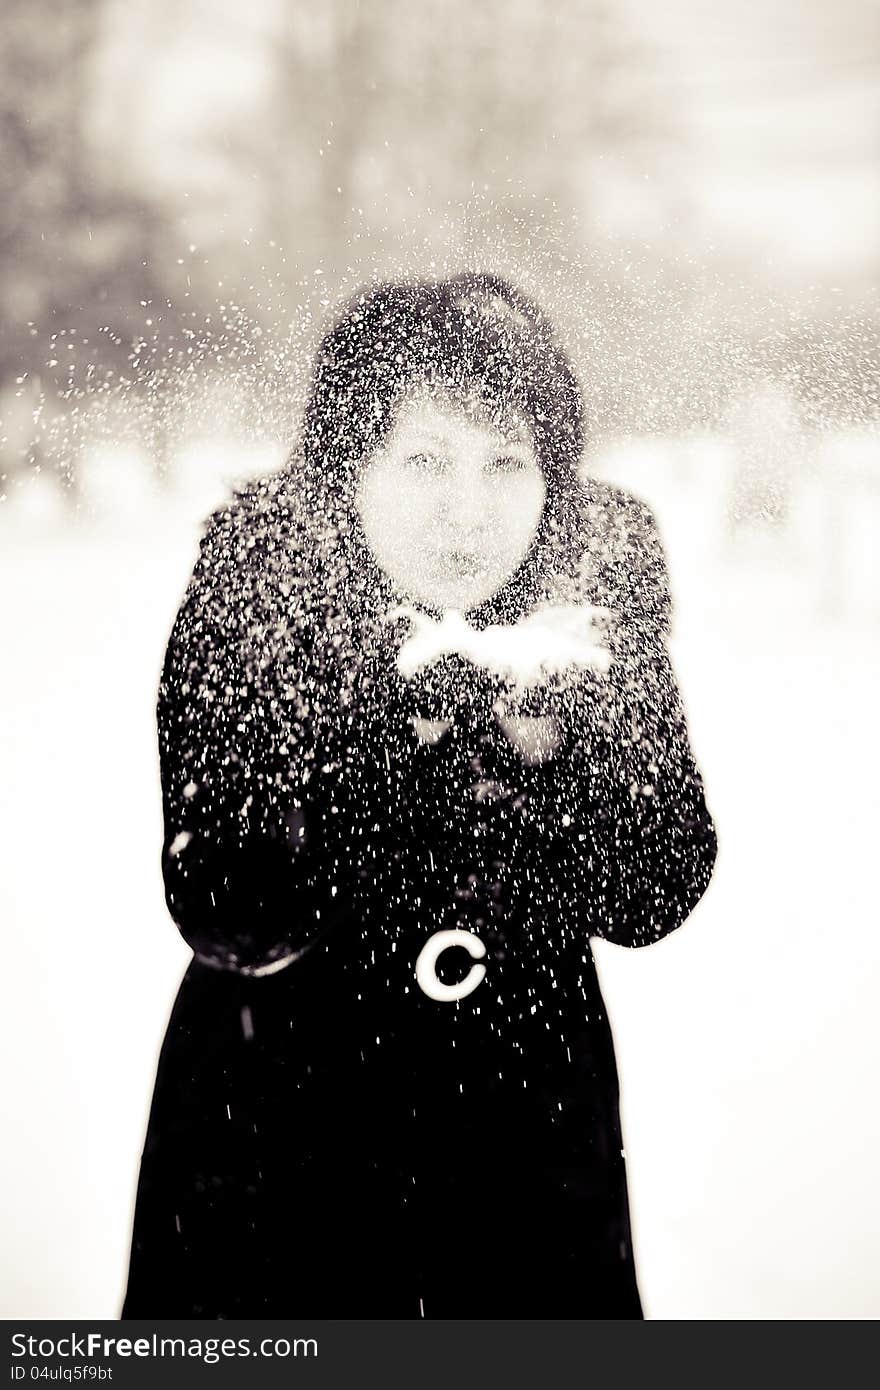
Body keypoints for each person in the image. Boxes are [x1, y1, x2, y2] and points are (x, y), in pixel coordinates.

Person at [121, 272, 718, 1318]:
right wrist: (389, 740)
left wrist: (553, 765)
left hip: (530, 1131)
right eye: (425, 460)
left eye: (506, 463)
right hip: (275, 1128)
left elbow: (655, 884)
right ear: (349, 468)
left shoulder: (590, 597)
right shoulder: (265, 592)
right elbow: (225, 898)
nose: (468, 511)